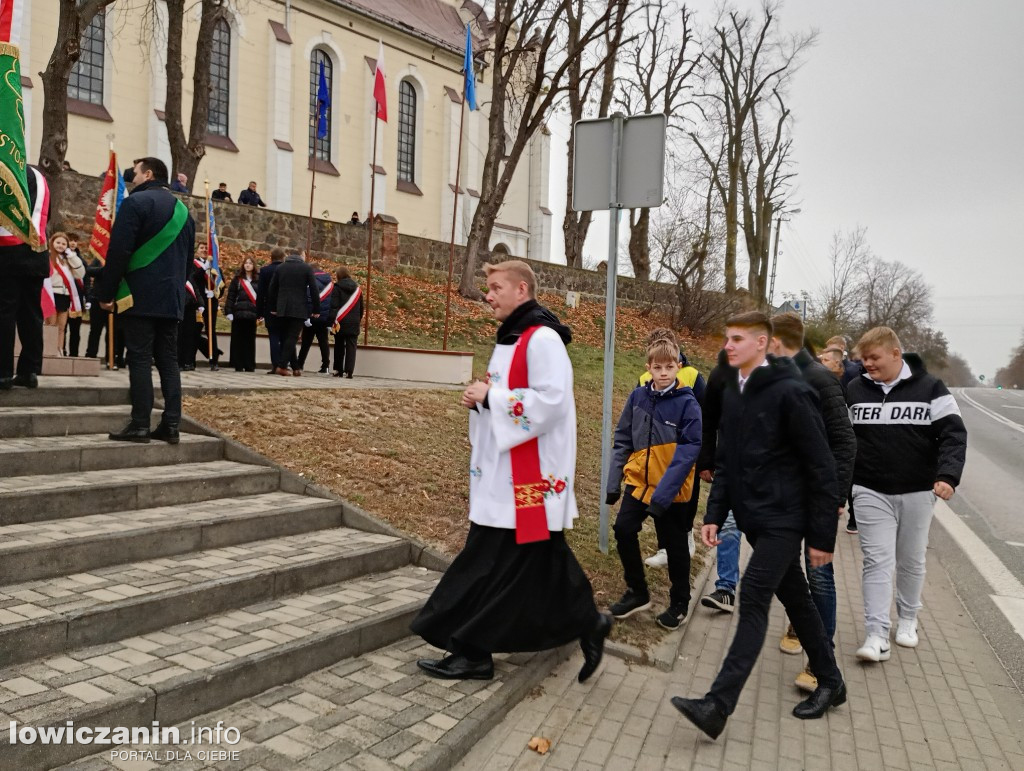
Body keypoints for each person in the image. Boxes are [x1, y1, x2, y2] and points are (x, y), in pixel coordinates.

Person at [411, 260, 612, 682]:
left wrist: (492, 397)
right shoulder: (514, 338)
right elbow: (510, 394)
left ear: (522, 290)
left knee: (491, 561)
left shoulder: (542, 340)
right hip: (508, 474)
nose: (488, 295)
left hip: (528, 480)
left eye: (496, 287)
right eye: (488, 287)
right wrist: (483, 399)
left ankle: (473, 650)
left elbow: (552, 401)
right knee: (535, 558)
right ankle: (586, 623)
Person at [671, 311, 845, 739]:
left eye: (737, 339)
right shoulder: (735, 393)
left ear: (763, 345)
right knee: (798, 601)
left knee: (752, 596)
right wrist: (714, 514)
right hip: (753, 517)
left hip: (786, 519)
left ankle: (718, 704)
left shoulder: (792, 393)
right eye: (727, 338)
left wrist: (822, 536)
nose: (727, 346)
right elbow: (728, 461)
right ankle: (832, 680)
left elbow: (822, 466)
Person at [847, 326, 967, 663]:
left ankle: (909, 618)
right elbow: (843, 441)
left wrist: (948, 476)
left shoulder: (931, 388)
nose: (867, 364)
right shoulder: (855, 390)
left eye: (874, 358)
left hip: (918, 489)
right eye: (864, 359)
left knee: (911, 558)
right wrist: (842, 488)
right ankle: (876, 633)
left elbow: (954, 435)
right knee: (877, 560)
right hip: (870, 489)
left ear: (896, 354)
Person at [770, 312, 857, 692]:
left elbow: (844, 442)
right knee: (787, 575)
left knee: (819, 575)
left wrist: (836, 495)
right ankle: (797, 626)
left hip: (816, 498)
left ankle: (820, 661)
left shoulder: (821, 380)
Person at [94, 156, 196, 444]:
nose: (132, 179)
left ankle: (140, 424)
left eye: (135, 174)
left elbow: (119, 253)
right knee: (169, 361)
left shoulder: (135, 204)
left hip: (138, 297)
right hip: (172, 300)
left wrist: (106, 293)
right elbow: (188, 264)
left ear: (149, 174)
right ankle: (171, 425)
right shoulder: (185, 213)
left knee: (139, 358)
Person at [606, 337, 702, 630]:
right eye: (657, 367)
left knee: (674, 546)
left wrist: (664, 494)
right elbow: (623, 438)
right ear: (648, 368)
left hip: (670, 492)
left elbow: (688, 452)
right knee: (623, 530)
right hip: (639, 484)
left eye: (669, 366)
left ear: (678, 367)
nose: (663, 372)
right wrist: (614, 481)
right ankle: (637, 591)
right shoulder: (638, 398)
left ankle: (680, 602)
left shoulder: (688, 404)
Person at [636, 328, 705, 569]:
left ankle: (686, 537)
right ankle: (664, 547)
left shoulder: (693, 376)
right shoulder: (644, 379)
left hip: (684, 454)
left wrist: (705, 460)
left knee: (684, 500)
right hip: (655, 454)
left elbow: (705, 418)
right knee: (658, 498)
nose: (662, 370)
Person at [698, 348, 741, 615]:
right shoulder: (721, 374)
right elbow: (708, 420)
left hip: (770, 477)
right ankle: (726, 588)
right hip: (730, 468)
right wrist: (706, 460)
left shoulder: (779, 376)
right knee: (727, 526)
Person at [0, 166, 50, 390]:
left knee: (4, 313)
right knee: (31, 314)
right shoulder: (39, 176)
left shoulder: (5, 169)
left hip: (8, 253)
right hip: (37, 251)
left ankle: (2, 373)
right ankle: (29, 371)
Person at [267, 251, 320, 376]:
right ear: (301, 256)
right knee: (292, 337)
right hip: (299, 307)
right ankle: (282, 366)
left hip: (282, 307)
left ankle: (295, 367)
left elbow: (272, 288)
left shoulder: (281, 267)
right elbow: (314, 289)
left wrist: (274, 307)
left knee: (287, 338)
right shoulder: (306, 268)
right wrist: (316, 309)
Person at [47, 232, 86, 357]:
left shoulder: (68, 259)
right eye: (58, 242)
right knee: (51, 325)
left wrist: (72, 256)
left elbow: (80, 273)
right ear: (52, 242)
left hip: (64, 296)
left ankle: (59, 349)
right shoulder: (47, 257)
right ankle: (48, 349)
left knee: (61, 326)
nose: (61, 245)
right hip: (52, 294)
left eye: (64, 244)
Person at [297, 264, 333, 374]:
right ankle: (325, 366)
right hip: (323, 318)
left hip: (312, 317)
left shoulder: (311, 281)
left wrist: (307, 315)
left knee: (306, 342)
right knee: (323, 342)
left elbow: (308, 299)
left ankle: (300, 364)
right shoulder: (329, 282)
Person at [225, 257, 259, 371]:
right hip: (238, 314)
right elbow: (231, 296)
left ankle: (249, 365)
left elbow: (262, 298)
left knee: (250, 340)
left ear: (254, 265)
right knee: (238, 339)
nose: (248, 265)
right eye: (246, 263)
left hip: (251, 314)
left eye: (250, 263)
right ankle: (238, 364)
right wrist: (229, 311)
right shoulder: (237, 279)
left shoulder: (258, 280)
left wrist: (261, 313)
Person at [257, 248, 286, 372]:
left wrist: (259, 312)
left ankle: (275, 365)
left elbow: (261, 292)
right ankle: (283, 363)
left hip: (270, 307)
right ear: (283, 257)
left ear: (271, 258)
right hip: (285, 308)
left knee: (273, 337)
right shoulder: (286, 270)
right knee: (284, 337)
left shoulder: (264, 271)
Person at [330, 267, 362, 378]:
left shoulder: (337, 287)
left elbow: (334, 306)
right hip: (353, 322)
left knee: (339, 345)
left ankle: (338, 369)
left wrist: (331, 321)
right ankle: (349, 371)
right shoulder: (358, 289)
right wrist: (358, 319)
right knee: (351, 346)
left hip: (340, 321)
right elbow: (361, 308)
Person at [63, 234, 88, 356]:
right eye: (70, 240)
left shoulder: (81, 260)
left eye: (75, 241)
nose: (73, 243)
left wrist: (88, 299)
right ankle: (61, 350)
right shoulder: (61, 258)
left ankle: (74, 353)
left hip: (77, 299)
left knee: (75, 330)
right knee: (62, 328)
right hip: (64, 297)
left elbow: (86, 280)